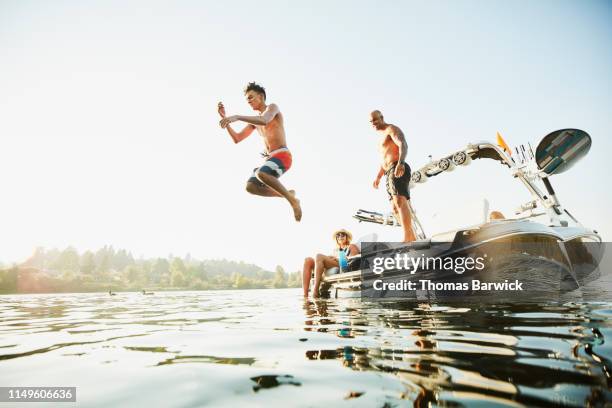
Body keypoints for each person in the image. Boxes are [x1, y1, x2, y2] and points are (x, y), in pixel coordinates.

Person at [217, 82, 302, 221]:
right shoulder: (253, 122)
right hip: (271, 158)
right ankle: (288, 194)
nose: (249, 101)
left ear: (261, 96)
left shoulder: (272, 108)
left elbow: (264, 120)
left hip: (283, 155)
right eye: (247, 99)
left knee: (260, 173)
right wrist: (225, 119)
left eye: (251, 97)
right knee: (251, 187)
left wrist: (237, 117)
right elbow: (237, 138)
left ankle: (292, 201)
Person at [370, 110, 417, 242]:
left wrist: (401, 163)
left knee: (400, 201)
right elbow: (383, 161)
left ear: (382, 118)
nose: (373, 123)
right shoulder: (380, 140)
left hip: (398, 166)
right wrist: (378, 177)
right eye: (371, 121)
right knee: (394, 207)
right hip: (388, 171)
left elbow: (403, 144)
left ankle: (408, 237)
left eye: (375, 119)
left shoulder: (391, 129)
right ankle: (411, 236)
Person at [302, 229, 360, 298]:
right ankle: (305, 295)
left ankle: (316, 290)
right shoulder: (336, 250)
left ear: (347, 237)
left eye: (343, 235)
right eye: (338, 235)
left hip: (341, 265)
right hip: (330, 265)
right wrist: (330, 257)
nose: (340, 237)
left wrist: (337, 259)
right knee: (308, 260)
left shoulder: (351, 246)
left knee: (318, 256)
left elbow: (352, 261)